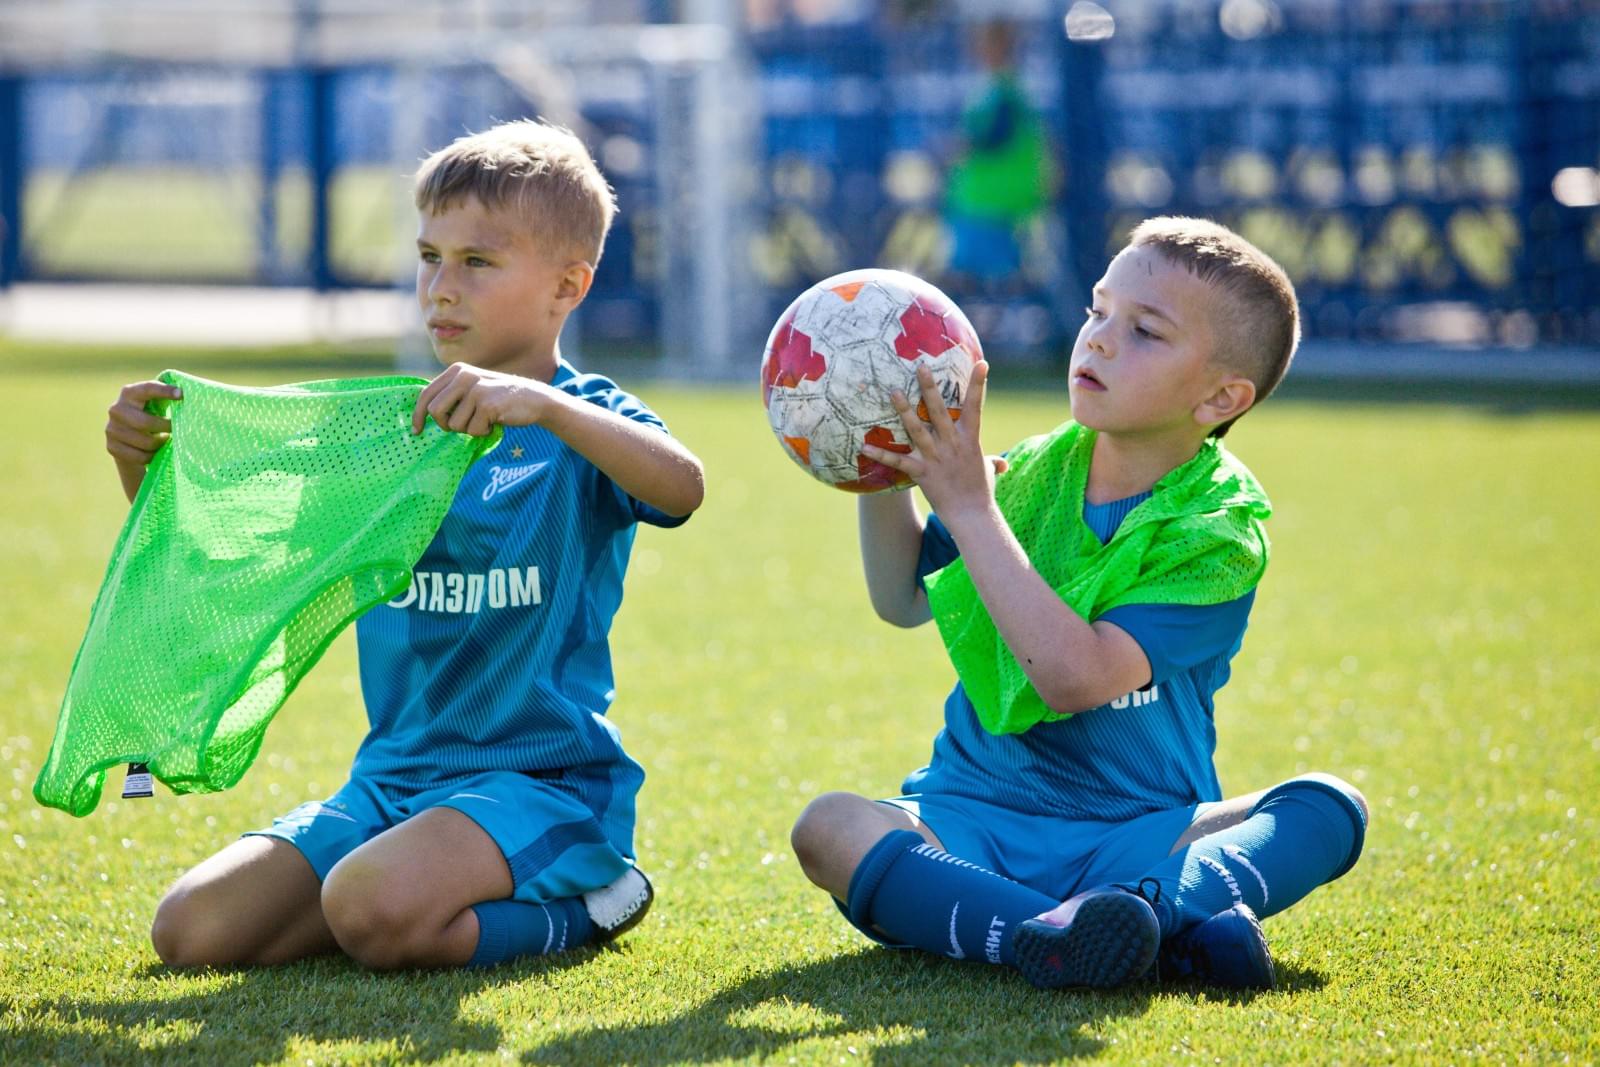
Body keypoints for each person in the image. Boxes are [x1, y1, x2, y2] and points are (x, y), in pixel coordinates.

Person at [104, 119, 706, 970]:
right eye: (429, 256)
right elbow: (232, 568)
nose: (441, 289)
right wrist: (142, 466)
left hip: (541, 786)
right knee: (191, 930)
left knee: (369, 902)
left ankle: (592, 904)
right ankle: (393, 895)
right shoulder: (385, 435)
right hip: (391, 783)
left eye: (477, 262)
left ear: (568, 286)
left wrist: (546, 407)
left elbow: (683, 486)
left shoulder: (587, 418)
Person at [790, 216, 1368, 990]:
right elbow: (901, 597)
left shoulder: (1219, 532)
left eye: (1144, 331)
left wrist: (971, 509)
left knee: (1329, 806)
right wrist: (883, 462)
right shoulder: (1031, 475)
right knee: (829, 826)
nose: (1098, 339)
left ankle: (1117, 914)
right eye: (1099, 311)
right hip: (973, 818)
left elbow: (1074, 677)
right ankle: (1117, 931)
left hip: (1136, 834)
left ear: (1219, 396)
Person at [942, 19, 1056, 295]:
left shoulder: (1006, 91)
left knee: (997, 277)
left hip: (994, 197)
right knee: (989, 273)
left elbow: (995, 136)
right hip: (984, 196)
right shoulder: (997, 88)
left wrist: (961, 146)